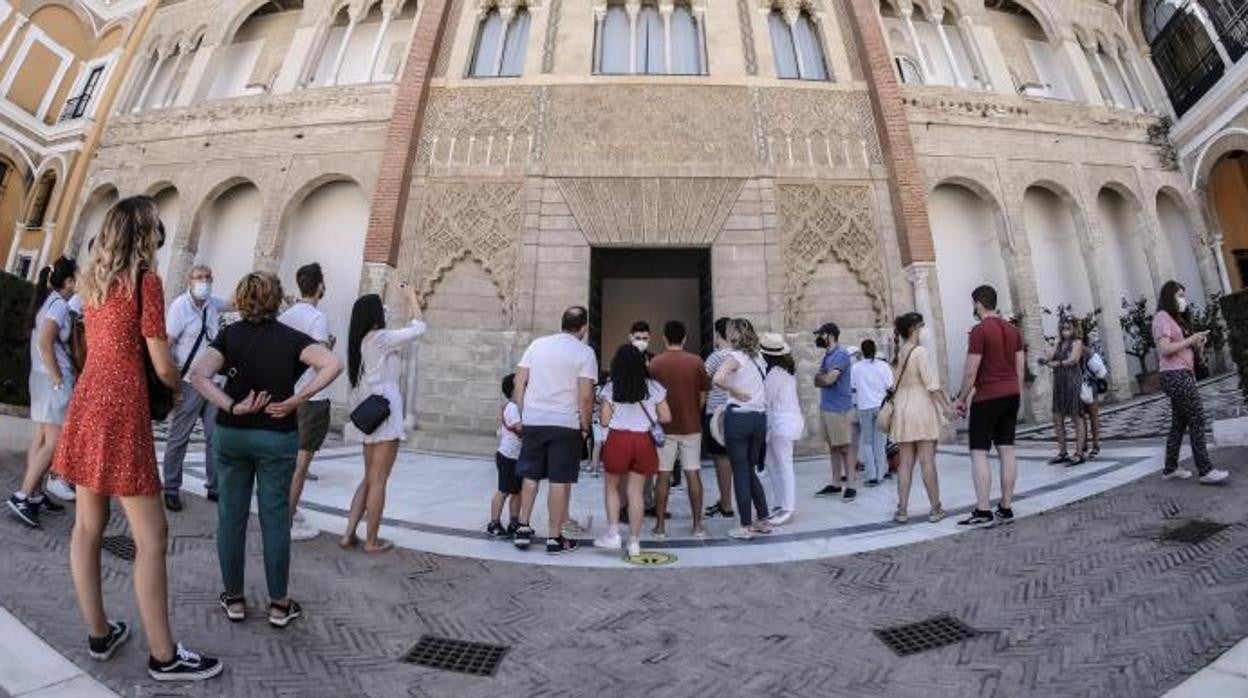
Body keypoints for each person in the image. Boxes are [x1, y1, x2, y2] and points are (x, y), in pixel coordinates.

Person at [51, 195, 222, 681]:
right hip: (122, 408)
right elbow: (163, 362)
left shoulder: (92, 280)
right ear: (147, 234)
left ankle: (100, 632)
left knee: (88, 526)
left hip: (88, 401)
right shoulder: (146, 281)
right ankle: (164, 655)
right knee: (153, 536)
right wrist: (178, 384)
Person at [189, 271, 342, 627]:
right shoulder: (291, 339)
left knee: (231, 516)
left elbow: (198, 374)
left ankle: (236, 599)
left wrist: (230, 405)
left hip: (232, 434)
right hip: (276, 436)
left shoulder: (229, 335)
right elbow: (333, 363)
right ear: (277, 300)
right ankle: (278, 604)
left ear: (241, 300)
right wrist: (296, 398)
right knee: (275, 519)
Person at [341, 286, 427, 552]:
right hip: (386, 412)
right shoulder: (380, 338)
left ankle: (348, 534)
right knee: (379, 479)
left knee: (369, 477)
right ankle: (371, 540)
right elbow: (419, 328)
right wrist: (412, 297)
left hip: (372, 410)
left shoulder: (363, 340)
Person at [512, 306, 598, 554]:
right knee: (559, 480)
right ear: (584, 328)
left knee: (530, 475)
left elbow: (520, 381)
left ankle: (523, 527)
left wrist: (523, 411)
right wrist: (585, 426)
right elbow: (585, 396)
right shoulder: (584, 352)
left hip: (534, 419)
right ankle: (554, 537)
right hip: (565, 423)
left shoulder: (537, 345)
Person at [8, 256, 78, 528]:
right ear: (69, 281)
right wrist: (59, 377)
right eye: (77, 277)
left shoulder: (47, 300)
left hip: (40, 378)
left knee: (40, 438)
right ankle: (23, 495)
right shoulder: (59, 305)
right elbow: (47, 341)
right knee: (53, 443)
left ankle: (35, 494)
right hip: (52, 382)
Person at [953, 285, 1025, 526]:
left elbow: (971, 370)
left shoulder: (979, 331)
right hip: (1011, 394)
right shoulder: (1014, 330)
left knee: (979, 452)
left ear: (978, 304)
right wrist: (1016, 391)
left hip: (987, 397)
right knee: (1007, 449)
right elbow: (1020, 368)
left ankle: (983, 510)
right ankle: (1005, 506)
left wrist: (961, 399)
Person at [161, 264, 229, 512]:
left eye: (208, 277)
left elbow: (234, 303)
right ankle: (170, 488)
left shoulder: (212, 303)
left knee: (215, 436)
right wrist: (173, 385)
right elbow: (167, 345)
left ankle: (214, 486)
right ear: (190, 281)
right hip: (188, 382)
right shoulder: (180, 306)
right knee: (179, 437)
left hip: (211, 383)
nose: (204, 281)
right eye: (199, 277)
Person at [593, 344, 671, 557]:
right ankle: (634, 542)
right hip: (644, 441)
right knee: (636, 492)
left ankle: (613, 534)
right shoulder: (654, 387)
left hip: (618, 439)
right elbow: (666, 417)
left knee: (612, 488)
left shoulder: (610, 388)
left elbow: (605, 420)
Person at [277, 262, 335, 541]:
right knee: (301, 465)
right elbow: (322, 360)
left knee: (287, 461)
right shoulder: (316, 318)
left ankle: (285, 510)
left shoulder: (286, 315)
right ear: (319, 286)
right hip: (311, 397)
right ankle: (285, 523)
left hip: (289, 393)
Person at [1153, 280, 1229, 484]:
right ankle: (1205, 470)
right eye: (1179, 295)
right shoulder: (1162, 317)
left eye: (1183, 295)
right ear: (1169, 296)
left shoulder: (1178, 320)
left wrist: (1199, 343)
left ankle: (1170, 468)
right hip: (1174, 374)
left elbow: (1188, 353)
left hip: (1184, 373)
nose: (1183, 299)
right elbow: (1165, 349)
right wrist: (1190, 339)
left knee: (1179, 422)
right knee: (1197, 418)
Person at [647, 320, 710, 540]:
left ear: (664, 338)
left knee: (662, 475)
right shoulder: (696, 362)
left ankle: (660, 527)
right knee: (693, 473)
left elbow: (651, 396)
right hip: (691, 425)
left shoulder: (655, 363)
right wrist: (692, 410)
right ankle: (697, 526)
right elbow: (703, 395)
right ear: (684, 338)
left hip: (664, 427)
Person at [712, 318, 772, 540]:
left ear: (733, 335)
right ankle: (763, 519)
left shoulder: (734, 357)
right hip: (759, 419)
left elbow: (718, 378)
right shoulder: (759, 358)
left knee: (740, 471)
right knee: (749, 469)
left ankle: (746, 524)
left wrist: (735, 392)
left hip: (738, 418)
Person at [886, 312, 947, 524]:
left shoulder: (898, 352)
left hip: (902, 411)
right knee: (927, 461)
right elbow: (932, 385)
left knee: (905, 463)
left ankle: (902, 510)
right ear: (913, 330)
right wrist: (947, 407)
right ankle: (935, 508)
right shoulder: (919, 351)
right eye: (921, 326)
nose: (924, 331)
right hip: (921, 408)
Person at [759, 333, 803, 526]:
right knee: (772, 464)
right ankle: (779, 503)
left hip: (782, 424)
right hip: (776, 424)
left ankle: (788, 507)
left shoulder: (776, 373)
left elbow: (764, 399)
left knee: (784, 465)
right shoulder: (782, 370)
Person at [813, 322, 856, 501]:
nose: (818, 338)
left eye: (821, 334)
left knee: (845, 447)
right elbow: (818, 380)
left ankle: (851, 485)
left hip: (839, 408)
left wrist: (822, 379)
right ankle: (836, 483)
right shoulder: (827, 356)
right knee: (833, 447)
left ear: (830, 335)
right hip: (827, 407)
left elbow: (829, 379)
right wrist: (822, 379)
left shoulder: (841, 354)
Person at [1038, 319, 1086, 466]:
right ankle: (1063, 452)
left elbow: (1073, 359)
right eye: (1063, 328)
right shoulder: (1059, 344)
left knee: (1076, 417)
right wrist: (1044, 359)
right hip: (1059, 384)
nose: (1065, 330)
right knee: (1057, 417)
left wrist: (1057, 364)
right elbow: (1050, 355)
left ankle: (1079, 453)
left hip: (1072, 382)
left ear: (1074, 329)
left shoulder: (1077, 342)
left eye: (1068, 328)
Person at [702, 317, 735, 520]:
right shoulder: (741, 356)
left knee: (721, 458)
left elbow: (703, 381)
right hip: (736, 410)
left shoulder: (716, 357)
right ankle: (728, 500)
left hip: (716, 413)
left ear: (717, 334)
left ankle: (726, 504)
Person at [851, 339, 893, 486]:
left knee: (867, 442)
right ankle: (881, 473)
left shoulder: (856, 368)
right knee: (880, 441)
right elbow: (890, 385)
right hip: (880, 406)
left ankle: (872, 475)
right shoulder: (883, 366)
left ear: (862, 351)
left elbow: (853, 386)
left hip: (864, 406)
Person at [487, 373, 523, 537]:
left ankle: (514, 522)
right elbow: (520, 428)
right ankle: (493, 523)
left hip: (517, 456)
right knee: (504, 490)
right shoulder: (513, 407)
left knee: (517, 491)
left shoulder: (518, 406)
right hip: (508, 456)